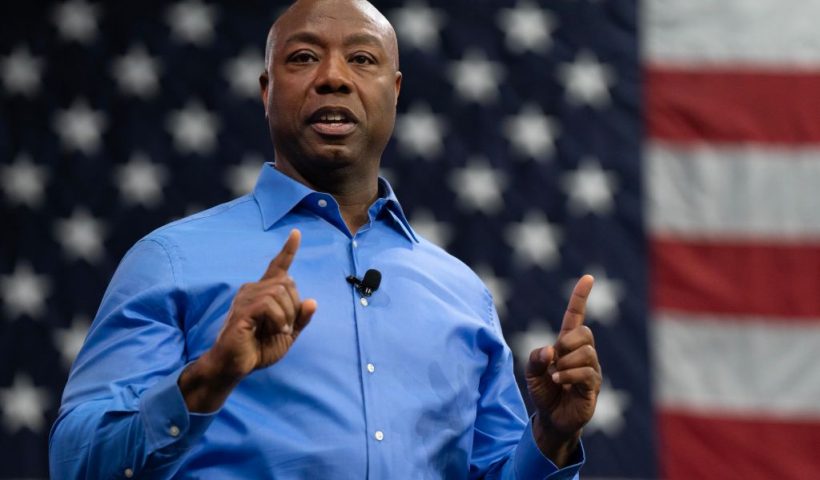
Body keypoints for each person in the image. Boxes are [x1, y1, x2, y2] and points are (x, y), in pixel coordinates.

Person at [49, 0, 602, 478]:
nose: (333, 77)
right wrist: (208, 379)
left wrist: (551, 437)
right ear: (267, 92)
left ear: (395, 90)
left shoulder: (462, 291)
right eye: (303, 57)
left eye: (362, 59)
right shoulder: (169, 261)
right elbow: (75, 463)